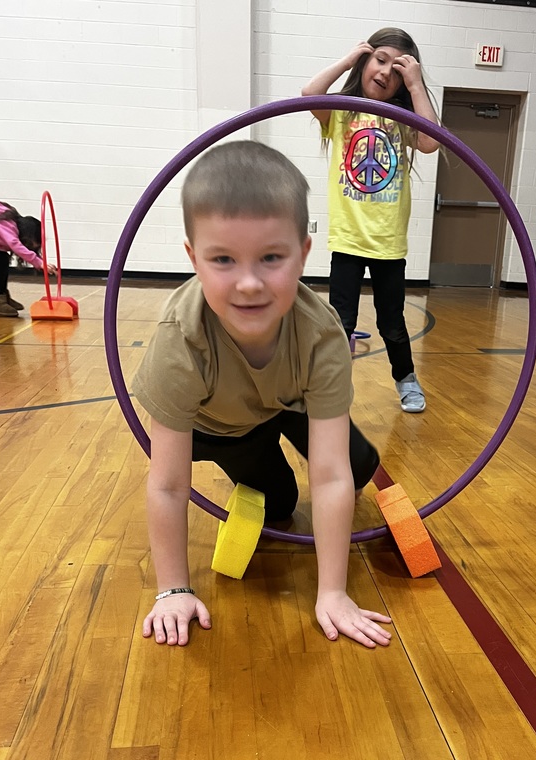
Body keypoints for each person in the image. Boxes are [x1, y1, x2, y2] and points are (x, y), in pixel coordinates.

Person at [131, 140, 392, 650]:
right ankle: (257, 483)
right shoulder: (182, 338)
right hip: (220, 426)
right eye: (223, 259)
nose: (249, 283)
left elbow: (333, 472)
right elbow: (166, 484)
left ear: (303, 254)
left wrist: (333, 592)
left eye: (271, 257)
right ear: (193, 258)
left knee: (358, 464)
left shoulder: (321, 335)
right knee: (281, 503)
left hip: (286, 400)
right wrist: (173, 590)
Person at [302, 27, 439, 413]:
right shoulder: (343, 112)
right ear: (366, 60)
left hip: (387, 242)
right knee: (339, 324)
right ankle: (331, 389)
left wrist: (416, 87)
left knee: (391, 323)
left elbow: (430, 142)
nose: (385, 74)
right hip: (348, 238)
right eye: (380, 61)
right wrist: (347, 60)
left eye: (398, 70)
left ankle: (406, 379)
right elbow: (309, 94)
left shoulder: (400, 119)